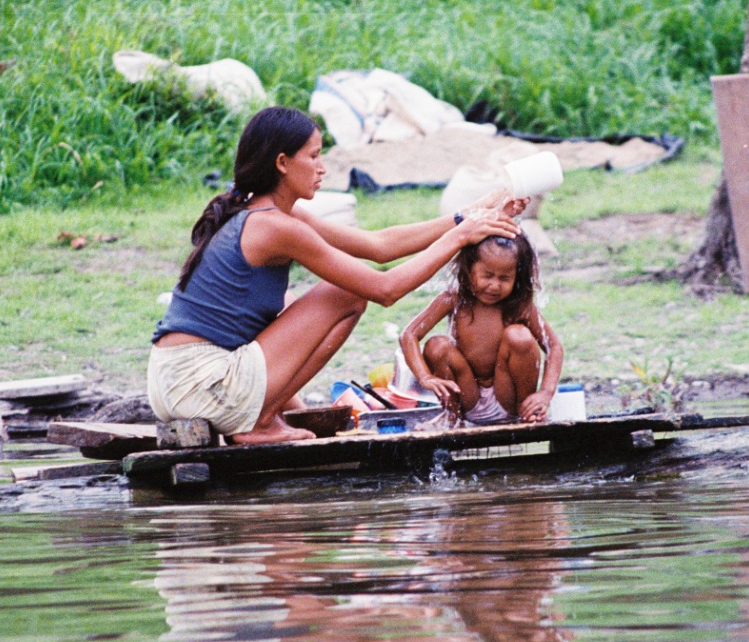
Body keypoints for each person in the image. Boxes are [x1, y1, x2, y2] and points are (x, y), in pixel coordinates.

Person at [150, 106, 521, 445]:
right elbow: (385, 288)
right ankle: (259, 421)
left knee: (296, 301)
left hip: (174, 384)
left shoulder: (258, 209)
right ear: (282, 163)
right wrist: (460, 237)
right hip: (202, 383)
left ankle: (267, 413)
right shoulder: (275, 226)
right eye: (313, 156)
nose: (322, 167)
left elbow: (379, 245)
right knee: (345, 294)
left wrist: (467, 215)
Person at [399, 231, 563, 426]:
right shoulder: (454, 299)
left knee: (519, 336)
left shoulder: (520, 305)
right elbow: (409, 335)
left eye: (505, 279)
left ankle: (525, 413)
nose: (494, 286)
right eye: (487, 275)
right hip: (467, 395)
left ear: (517, 277)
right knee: (437, 345)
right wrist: (425, 377)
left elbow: (553, 345)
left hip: (508, 398)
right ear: (469, 270)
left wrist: (545, 392)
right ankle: (452, 415)